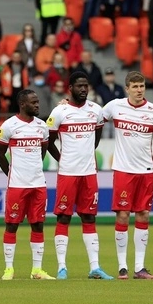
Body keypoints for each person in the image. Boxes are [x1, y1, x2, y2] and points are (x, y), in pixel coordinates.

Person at [46, 72, 113, 280]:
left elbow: (97, 136)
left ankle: (95, 267)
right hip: (67, 173)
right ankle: (61, 268)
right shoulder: (59, 112)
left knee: (89, 217)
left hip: (89, 173)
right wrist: (61, 158)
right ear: (70, 88)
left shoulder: (96, 110)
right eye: (79, 86)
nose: (83, 89)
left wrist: (88, 154)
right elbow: (48, 141)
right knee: (64, 217)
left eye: (86, 85)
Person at [101, 71, 153, 280]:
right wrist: (68, 104)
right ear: (127, 88)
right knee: (122, 215)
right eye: (135, 87)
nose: (139, 90)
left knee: (143, 214)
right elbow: (93, 116)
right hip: (123, 170)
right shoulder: (115, 106)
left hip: (146, 172)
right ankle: (122, 267)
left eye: (142, 86)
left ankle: (139, 268)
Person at [0, 89, 54, 280]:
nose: (37, 105)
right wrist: (11, 174)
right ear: (22, 104)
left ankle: (37, 270)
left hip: (38, 185)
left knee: (38, 225)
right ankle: (9, 269)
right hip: (17, 185)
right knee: (12, 225)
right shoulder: (9, 126)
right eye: (33, 102)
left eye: (37, 102)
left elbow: (43, 152)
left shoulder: (42, 126)